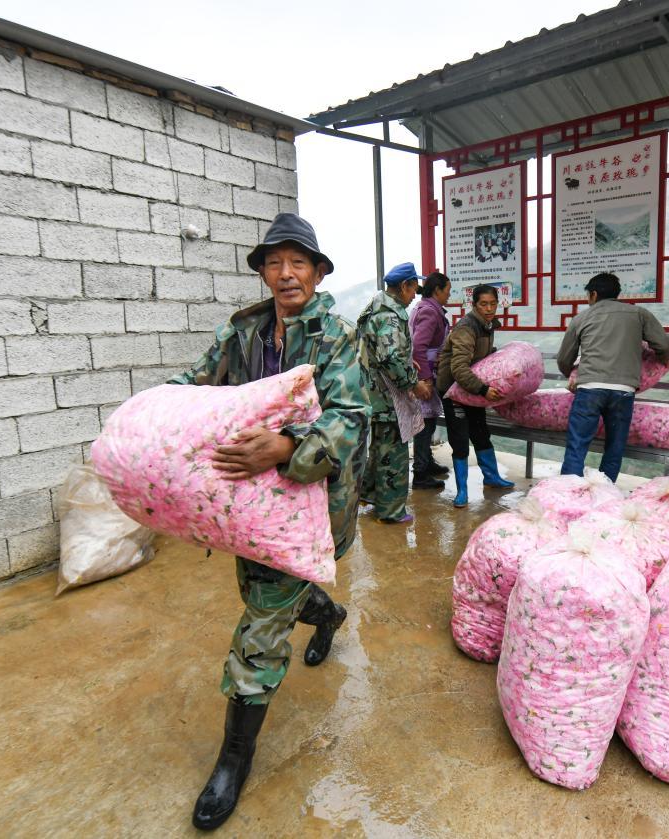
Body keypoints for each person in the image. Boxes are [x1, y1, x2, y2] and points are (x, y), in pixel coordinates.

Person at [170, 213, 370, 831]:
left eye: (298, 262)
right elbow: (194, 388)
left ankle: (234, 758)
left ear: (317, 273)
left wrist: (287, 446)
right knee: (270, 593)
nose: (286, 274)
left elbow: (350, 418)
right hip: (251, 509)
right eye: (275, 263)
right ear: (263, 272)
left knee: (259, 626)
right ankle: (327, 614)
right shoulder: (243, 335)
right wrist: (151, 419)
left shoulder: (337, 337)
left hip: (311, 506)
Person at [556, 272, 669, 482]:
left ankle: (568, 491)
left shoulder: (581, 318)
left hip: (589, 389)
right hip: (624, 390)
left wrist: (572, 375)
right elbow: (664, 345)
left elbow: (565, 358)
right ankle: (606, 490)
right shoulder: (639, 314)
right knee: (615, 446)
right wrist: (662, 361)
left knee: (577, 445)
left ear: (593, 294)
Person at [358, 263, 432, 523]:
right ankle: (390, 511)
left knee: (380, 447)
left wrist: (406, 361)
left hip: (374, 392)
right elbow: (390, 358)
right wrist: (414, 383)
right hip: (388, 398)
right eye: (413, 289)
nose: (414, 296)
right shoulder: (390, 316)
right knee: (394, 454)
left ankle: (370, 494)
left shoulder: (376, 309)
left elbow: (384, 353)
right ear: (404, 286)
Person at [435, 283, 515, 508]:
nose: (489, 308)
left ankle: (492, 477)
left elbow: (478, 357)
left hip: (471, 389)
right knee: (460, 440)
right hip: (454, 391)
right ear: (474, 305)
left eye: (493, 304)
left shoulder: (487, 326)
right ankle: (462, 490)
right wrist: (483, 389)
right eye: (483, 304)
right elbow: (459, 368)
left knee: (481, 433)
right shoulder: (467, 327)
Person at [409, 271, 452, 488]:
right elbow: (418, 347)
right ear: (437, 290)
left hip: (427, 370)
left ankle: (427, 463)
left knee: (429, 420)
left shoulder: (424, 307)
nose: (449, 295)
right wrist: (425, 379)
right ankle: (420, 473)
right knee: (425, 424)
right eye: (447, 291)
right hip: (425, 373)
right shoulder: (429, 312)